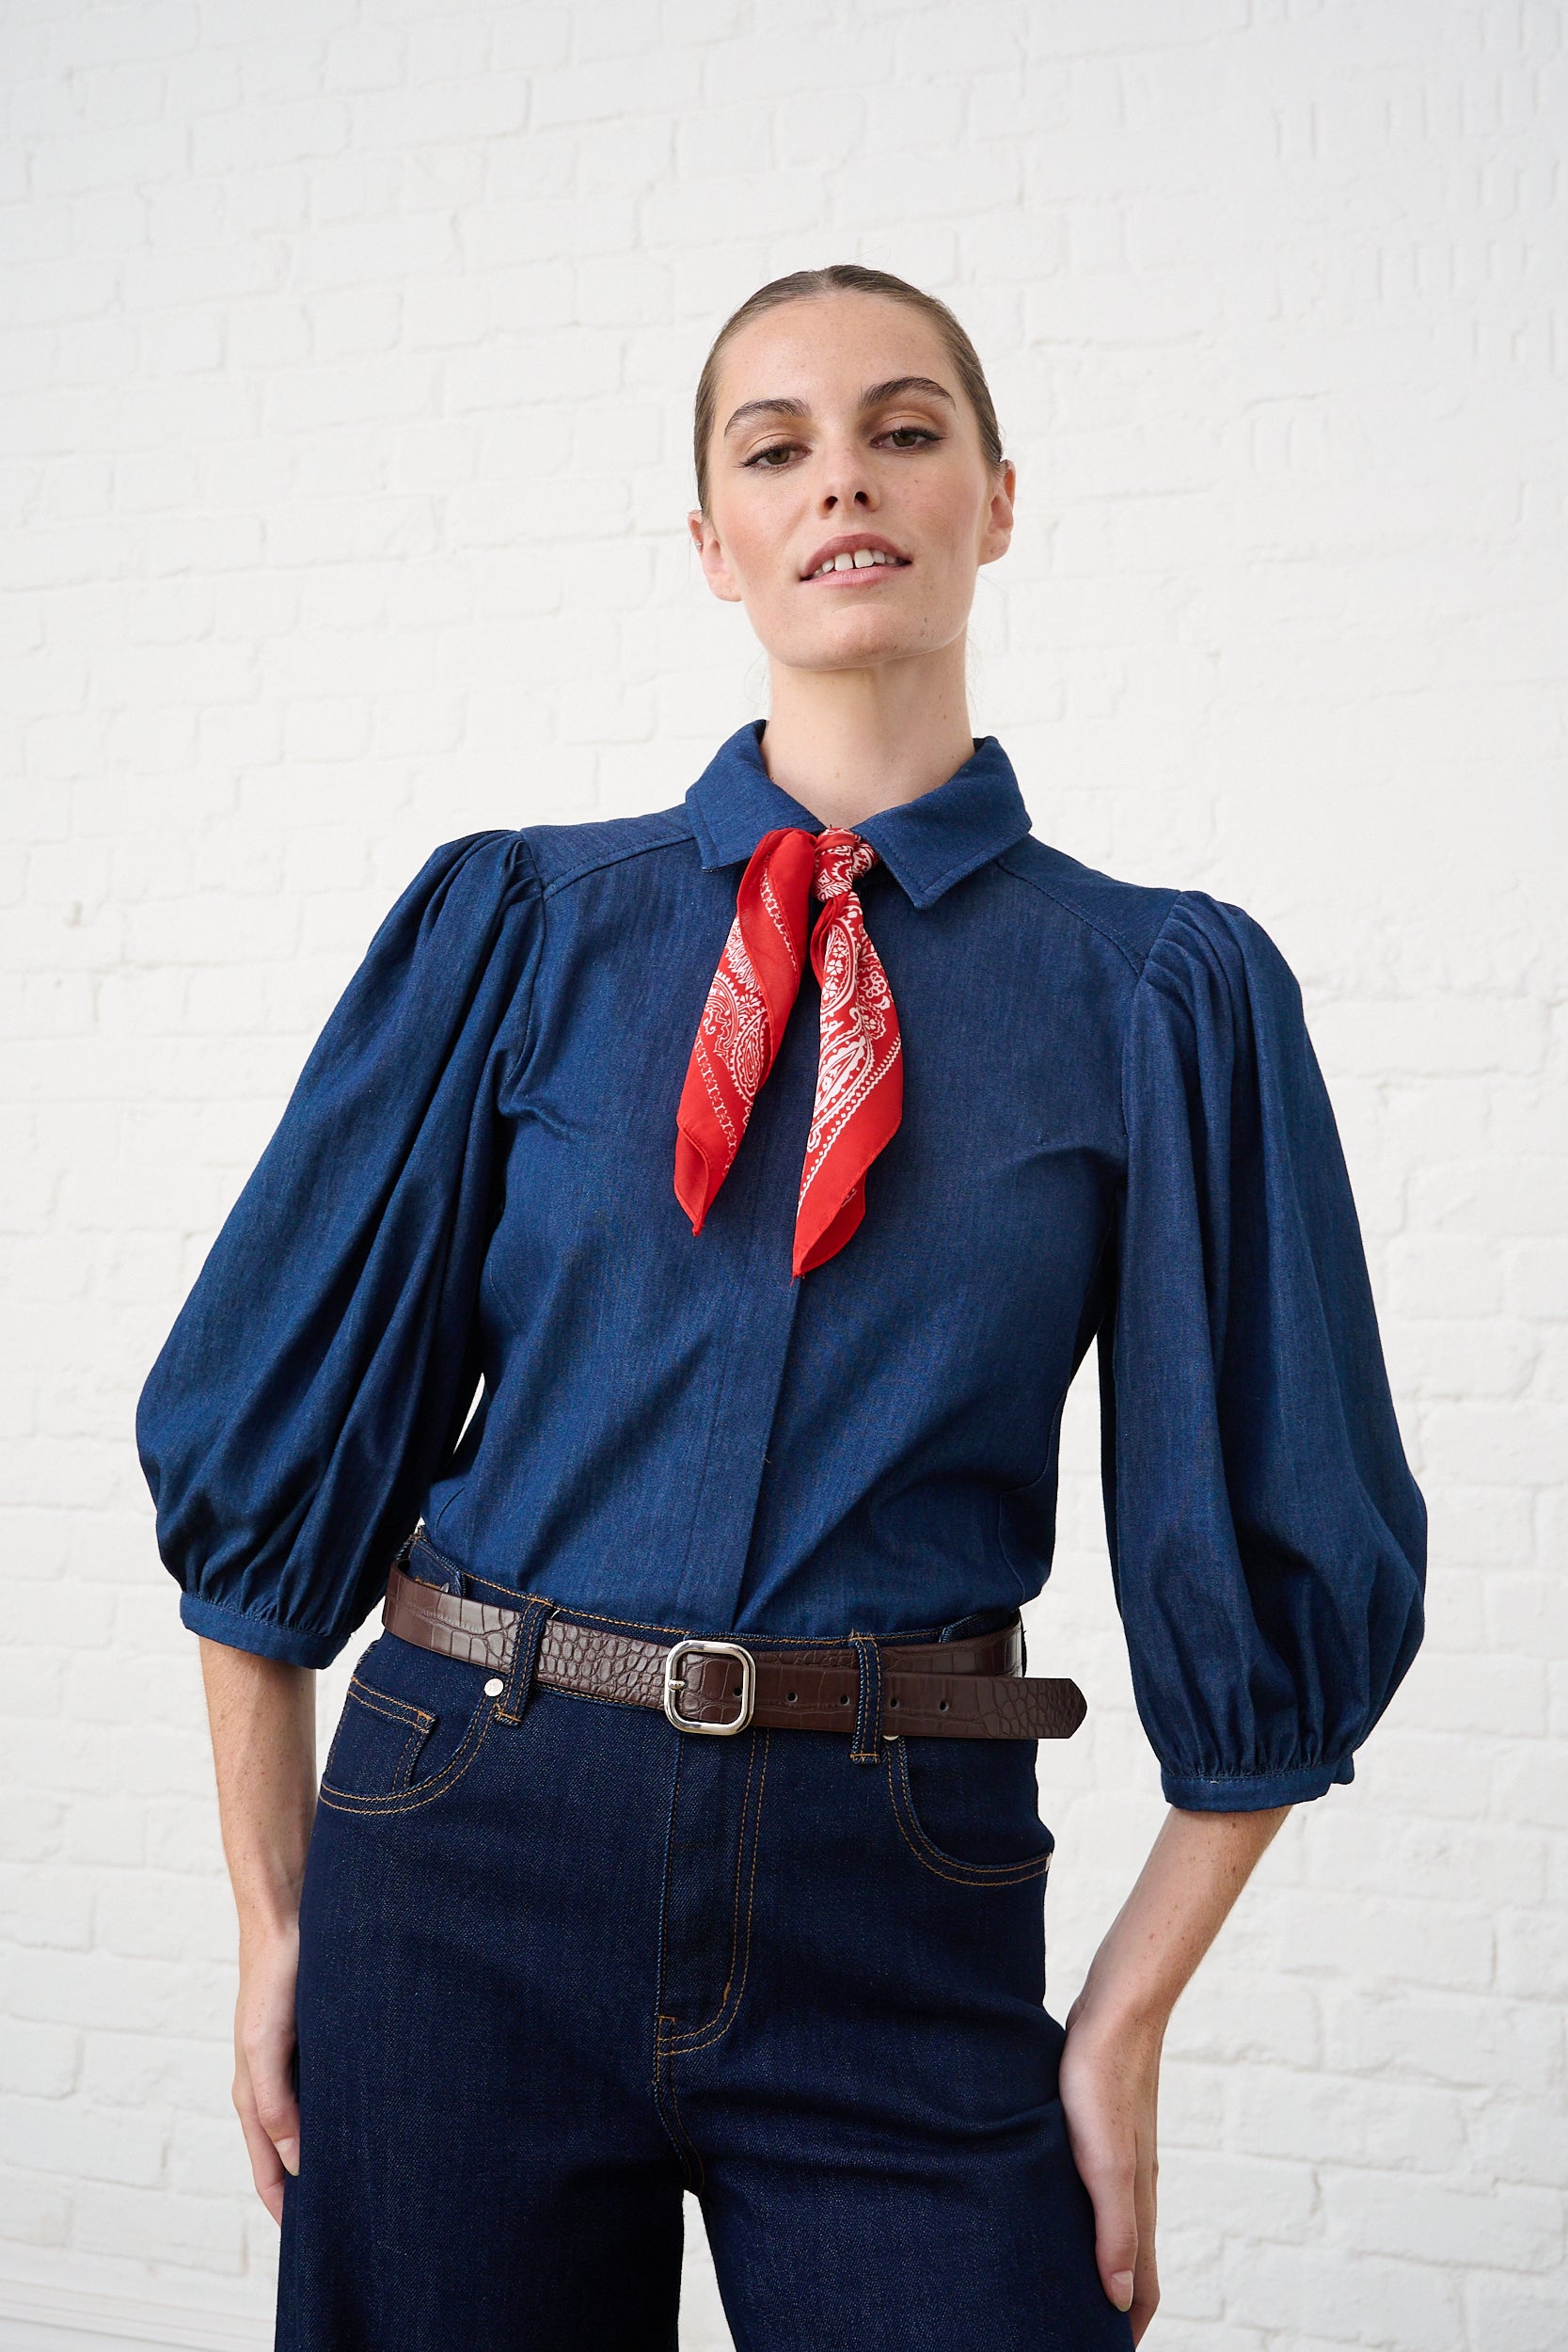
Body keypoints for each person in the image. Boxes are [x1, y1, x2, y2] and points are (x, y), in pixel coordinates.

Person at [135, 263, 1426, 2352]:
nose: (848, 477)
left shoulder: (1160, 997)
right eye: (781, 444)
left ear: (996, 500)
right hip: (465, 1838)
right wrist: (277, 1912)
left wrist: (1118, 2022)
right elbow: (285, 1433)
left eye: (907, 431)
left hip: (894, 1884)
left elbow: (1274, 1507)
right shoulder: (522, 931)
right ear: (713, 538)